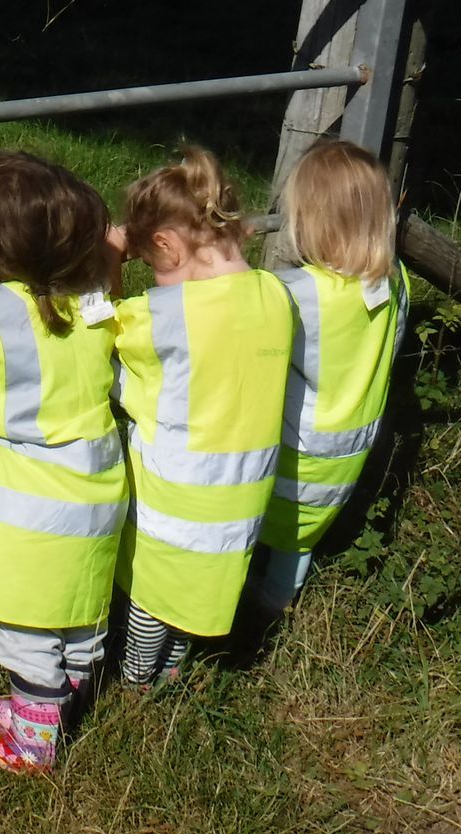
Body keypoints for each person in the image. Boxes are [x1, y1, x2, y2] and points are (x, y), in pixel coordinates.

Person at [0, 152, 124, 772]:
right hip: (92, 492)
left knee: (25, 628)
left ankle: (35, 741)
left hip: (22, 516)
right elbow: (111, 322)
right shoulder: (90, 305)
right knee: (77, 612)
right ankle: (69, 694)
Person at [111, 146, 295, 688]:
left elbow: (107, 338)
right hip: (242, 490)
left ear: (165, 245)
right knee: (203, 585)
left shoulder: (162, 315)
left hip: (177, 492)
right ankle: (175, 665)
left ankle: (138, 680)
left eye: (149, 263)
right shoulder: (275, 295)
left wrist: (110, 264)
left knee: (153, 593)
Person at [251, 139, 409, 613]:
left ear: (311, 222)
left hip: (293, 450)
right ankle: (278, 600)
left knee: (256, 522)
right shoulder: (397, 282)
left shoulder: (296, 293)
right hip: (351, 448)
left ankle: (240, 608)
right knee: (298, 539)